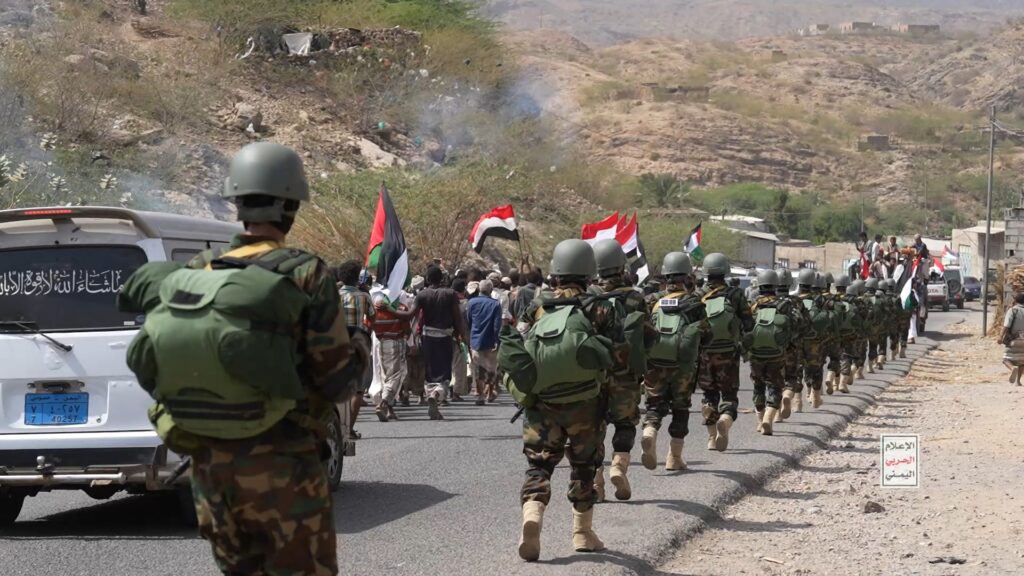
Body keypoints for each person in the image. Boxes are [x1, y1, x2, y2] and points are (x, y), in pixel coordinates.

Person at [126, 142, 357, 575]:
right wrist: (357, 350)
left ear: (238, 204)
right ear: (291, 207)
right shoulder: (306, 273)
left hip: (211, 470)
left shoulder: (199, 268)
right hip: (284, 463)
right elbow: (336, 379)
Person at [513, 239, 620, 561]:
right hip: (586, 402)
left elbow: (519, 346)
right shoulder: (600, 306)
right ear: (589, 271)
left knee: (539, 464)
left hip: (541, 401)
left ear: (556, 271)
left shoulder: (536, 305)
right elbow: (617, 355)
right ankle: (582, 533)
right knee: (584, 466)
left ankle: (533, 513)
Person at [590, 239, 650, 498]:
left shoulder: (588, 298)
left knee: (595, 428)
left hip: (594, 375)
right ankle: (618, 465)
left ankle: (596, 482)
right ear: (621, 266)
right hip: (626, 375)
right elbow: (649, 335)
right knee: (625, 423)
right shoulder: (635, 298)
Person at [641, 252, 709, 467]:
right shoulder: (693, 302)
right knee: (681, 407)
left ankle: (649, 431)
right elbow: (707, 334)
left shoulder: (651, 300)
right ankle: (674, 457)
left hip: (654, 363)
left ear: (665, 275)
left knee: (654, 404)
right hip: (683, 365)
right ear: (687, 276)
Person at [393, 266, 468, 420]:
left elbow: (409, 315)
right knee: (444, 371)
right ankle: (436, 394)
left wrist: (388, 310)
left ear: (427, 279)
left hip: (427, 338)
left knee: (430, 371)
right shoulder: (450, 294)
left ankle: (431, 394)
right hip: (445, 337)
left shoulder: (422, 295)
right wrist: (462, 335)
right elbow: (458, 318)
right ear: (442, 279)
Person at [696, 254, 753, 447]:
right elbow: (749, 323)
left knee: (709, 394)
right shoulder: (735, 294)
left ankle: (712, 438)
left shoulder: (698, 295)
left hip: (704, 353)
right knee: (729, 394)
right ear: (725, 272)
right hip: (728, 352)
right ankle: (726, 419)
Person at [747, 270, 793, 435]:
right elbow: (793, 327)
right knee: (775, 385)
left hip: (755, 353)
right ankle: (769, 417)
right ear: (775, 285)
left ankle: (760, 420)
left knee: (758, 385)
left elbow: (745, 328)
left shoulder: (752, 304)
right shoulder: (784, 304)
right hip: (776, 353)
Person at [337, 260, 375, 438]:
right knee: (358, 389)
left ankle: (337, 427)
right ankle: (349, 429)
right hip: (358, 342)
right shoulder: (364, 297)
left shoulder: (333, 296)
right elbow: (372, 318)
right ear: (357, 278)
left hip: (337, 343)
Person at [371, 290, 410, 422]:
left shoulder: (375, 309)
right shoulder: (400, 308)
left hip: (381, 343)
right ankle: (383, 403)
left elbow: (370, 325)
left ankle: (390, 410)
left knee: (385, 376)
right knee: (397, 376)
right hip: (396, 343)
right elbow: (407, 328)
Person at [776, 269, 808, 420]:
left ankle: (776, 415)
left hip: (773, 348)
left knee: (774, 381)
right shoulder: (797, 302)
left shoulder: (766, 301)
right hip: (793, 347)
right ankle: (789, 396)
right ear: (790, 284)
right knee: (791, 376)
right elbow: (806, 324)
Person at [466, 279, 503, 405]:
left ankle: (480, 395)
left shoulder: (471, 302)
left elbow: (469, 321)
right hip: (491, 340)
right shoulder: (495, 304)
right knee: (491, 368)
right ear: (491, 290)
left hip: (476, 340)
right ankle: (490, 393)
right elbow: (497, 325)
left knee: (478, 369)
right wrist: (497, 340)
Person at [796, 271, 828, 409]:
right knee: (816, 368)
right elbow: (827, 318)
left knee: (797, 370)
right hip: (815, 341)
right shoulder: (820, 300)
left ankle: (797, 400)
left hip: (797, 341)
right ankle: (815, 397)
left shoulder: (794, 300)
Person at [1001, 293, 1024, 385]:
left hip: (1014, 339)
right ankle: (1018, 381)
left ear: (1015, 300)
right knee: (1022, 361)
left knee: (1006, 359)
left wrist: (1000, 336)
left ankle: (1012, 368)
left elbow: (1006, 325)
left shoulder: (1013, 310)